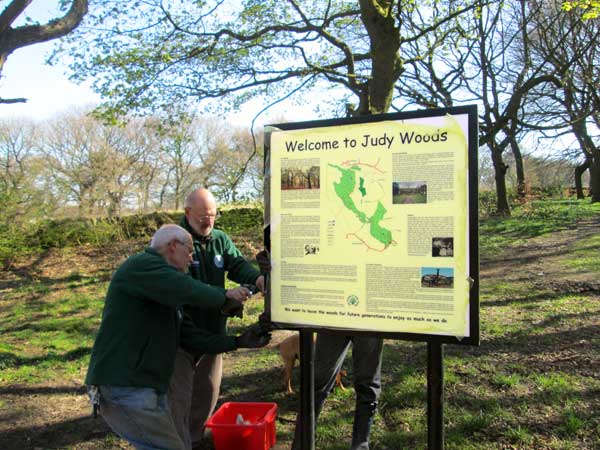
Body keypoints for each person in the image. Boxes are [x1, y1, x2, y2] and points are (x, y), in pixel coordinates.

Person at [85, 224, 270, 450]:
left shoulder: (162, 291)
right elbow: (189, 289)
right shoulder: (142, 266)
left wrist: (238, 341)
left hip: (143, 388)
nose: (192, 259)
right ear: (173, 246)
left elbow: (191, 337)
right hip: (124, 387)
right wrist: (225, 295)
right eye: (189, 251)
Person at [170, 187, 266, 449]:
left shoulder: (220, 239)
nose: (208, 221)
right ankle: (178, 441)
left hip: (213, 331)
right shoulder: (174, 243)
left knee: (208, 390)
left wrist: (255, 278)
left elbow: (236, 264)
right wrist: (224, 295)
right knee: (180, 394)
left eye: (213, 215)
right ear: (188, 213)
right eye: (203, 216)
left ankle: (196, 437)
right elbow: (186, 289)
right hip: (182, 334)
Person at [291, 334, 384, 450]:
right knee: (316, 384)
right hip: (335, 321)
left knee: (367, 386)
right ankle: (301, 446)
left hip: (371, 321)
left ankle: (360, 446)